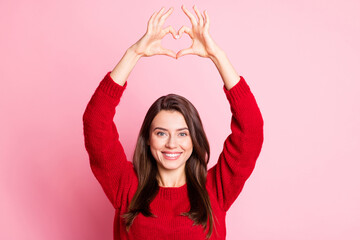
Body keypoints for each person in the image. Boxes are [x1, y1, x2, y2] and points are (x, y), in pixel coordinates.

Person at [83, 5, 264, 240]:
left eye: (182, 133)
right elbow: (95, 122)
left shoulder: (216, 189)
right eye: (161, 133)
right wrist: (134, 53)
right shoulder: (127, 187)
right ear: (148, 139)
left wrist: (217, 56)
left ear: (194, 139)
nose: (171, 144)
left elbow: (251, 130)